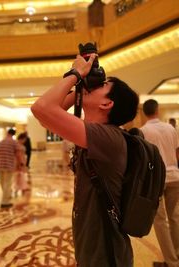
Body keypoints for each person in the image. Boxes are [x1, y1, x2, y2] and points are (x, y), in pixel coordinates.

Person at [31, 52, 139, 267]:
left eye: (103, 85)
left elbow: (41, 108)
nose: (94, 84)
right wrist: (80, 87)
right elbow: (46, 118)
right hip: (94, 248)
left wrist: (76, 74)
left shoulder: (107, 137)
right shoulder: (97, 134)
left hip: (106, 255)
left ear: (107, 104)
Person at [141, 99, 179, 267]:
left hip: (157, 179)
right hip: (174, 176)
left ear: (144, 113)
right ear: (157, 110)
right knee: (175, 217)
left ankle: (171, 262)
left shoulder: (143, 131)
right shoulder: (171, 128)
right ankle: (177, 254)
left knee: (160, 221)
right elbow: (177, 152)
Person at [0, 128, 22, 209]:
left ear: (7, 133)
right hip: (9, 165)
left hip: (0, 165)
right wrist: (21, 164)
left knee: (3, 183)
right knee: (7, 183)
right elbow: (18, 154)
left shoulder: (1, 142)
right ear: (13, 134)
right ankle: (5, 202)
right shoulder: (14, 142)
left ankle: (7, 196)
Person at [14, 133, 30, 197]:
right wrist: (22, 163)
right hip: (20, 163)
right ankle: (20, 189)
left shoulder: (18, 145)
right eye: (24, 139)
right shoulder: (19, 146)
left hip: (20, 162)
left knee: (19, 176)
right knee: (20, 176)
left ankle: (18, 189)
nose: (25, 141)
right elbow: (19, 155)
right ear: (22, 139)